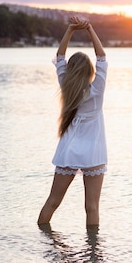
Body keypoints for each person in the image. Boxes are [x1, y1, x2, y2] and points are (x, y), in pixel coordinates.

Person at [38, 16, 108, 227]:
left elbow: (59, 56)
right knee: (92, 206)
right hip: (94, 152)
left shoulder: (66, 88)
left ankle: (43, 243)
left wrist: (70, 30)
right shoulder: (97, 90)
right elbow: (102, 57)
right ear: (89, 72)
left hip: (69, 151)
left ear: (70, 71)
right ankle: (93, 255)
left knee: (53, 201)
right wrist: (89, 29)